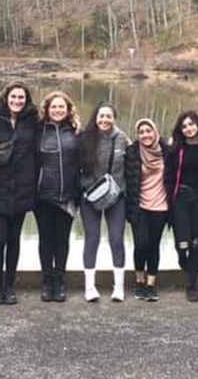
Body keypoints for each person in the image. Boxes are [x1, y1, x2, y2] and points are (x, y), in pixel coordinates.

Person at [0, 82, 38, 305]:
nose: (17, 101)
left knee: (14, 240)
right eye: (13, 97)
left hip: (22, 190)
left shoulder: (32, 120)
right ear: (6, 98)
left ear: (26, 100)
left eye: (21, 98)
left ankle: (10, 286)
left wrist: (74, 124)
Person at [78, 102, 129, 302]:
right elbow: (77, 165)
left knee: (116, 239)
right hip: (90, 196)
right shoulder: (85, 138)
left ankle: (119, 287)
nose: (104, 120)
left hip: (116, 197)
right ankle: (90, 287)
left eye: (109, 116)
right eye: (101, 116)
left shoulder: (123, 139)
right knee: (92, 239)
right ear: (95, 117)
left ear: (114, 118)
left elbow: (132, 165)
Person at [35, 91, 81, 302]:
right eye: (54, 106)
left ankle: (60, 281)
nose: (57, 110)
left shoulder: (76, 131)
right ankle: (46, 281)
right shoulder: (38, 130)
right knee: (46, 239)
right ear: (47, 109)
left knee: (62, 240)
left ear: (68, 109)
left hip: (68, 195)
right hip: (42, 196)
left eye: (61, 106)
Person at [164, 110, 198, 302]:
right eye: (184, 126)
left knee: (195, 242)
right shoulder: (176, 147)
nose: (188, 129)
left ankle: (192, 285)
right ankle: (181, 258)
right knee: (182, 241)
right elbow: (167, 171)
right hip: (180, 198)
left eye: (191, 124)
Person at [125, 118, 170, 301]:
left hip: (161, 206)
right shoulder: (132, 152)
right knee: (141, 244)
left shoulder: (167, 151)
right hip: (139, 205)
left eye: (148, 131)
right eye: (141, 132)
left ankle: (151, 284)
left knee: (154, 245)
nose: (145, 135)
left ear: (155, 132)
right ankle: (139, 280)